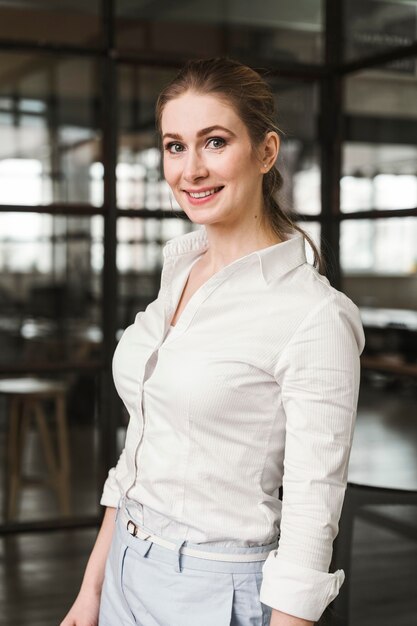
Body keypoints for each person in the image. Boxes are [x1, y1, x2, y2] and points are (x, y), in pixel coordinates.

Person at [61, 57, 365, 626]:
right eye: (175, 146)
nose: (191, 169)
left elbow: (311, 512)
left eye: (215, 142)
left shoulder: (313, 314)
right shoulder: (178, 274)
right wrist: (92, 588)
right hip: (125, 567)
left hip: (214, 591)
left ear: (266, 152)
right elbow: (140, 451)